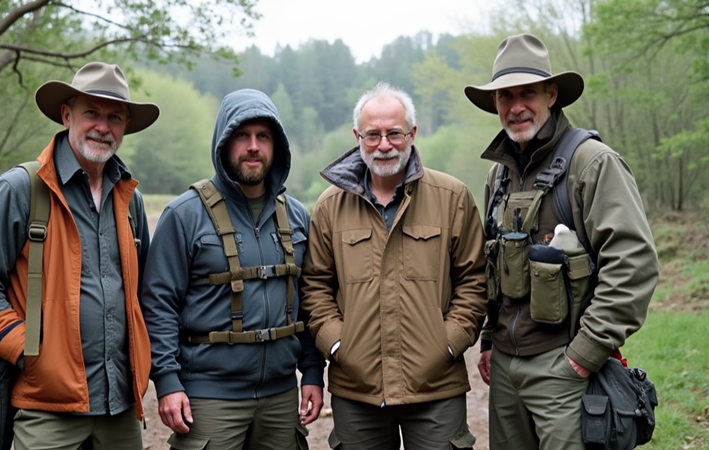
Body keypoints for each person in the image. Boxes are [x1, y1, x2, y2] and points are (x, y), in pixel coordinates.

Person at [464, 33, 659, 449]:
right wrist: (489, 340)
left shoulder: (592, 163)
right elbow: (493, 267)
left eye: (527, 93)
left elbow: (633, 264)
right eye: (505, 95)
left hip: (565, 367)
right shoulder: (498, 176)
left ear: (551, 95)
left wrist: (583, 355)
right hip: (505, 370)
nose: (516, 106)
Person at [0, 62, 158, 450]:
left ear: (126, 126)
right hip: (46, 407)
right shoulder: (22, 188)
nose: (103, 127)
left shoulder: (130, 200)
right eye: (91, 112)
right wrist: (26, 351)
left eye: (114, 117)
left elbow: (145, 294)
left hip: (119, 407)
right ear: (67, 115)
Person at [300, 81, 487, 450]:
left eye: (394, 133)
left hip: (436, 388)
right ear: (357, 137)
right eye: (373, 135)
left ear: (412, 134)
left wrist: (447, 344)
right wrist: (338, 346)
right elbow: (315, 286)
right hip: (357, 391)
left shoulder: (453, 198)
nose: (384, 145)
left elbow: (474, 281)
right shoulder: (330, 206)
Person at [139, 88, 325, 450]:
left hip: (281, 397)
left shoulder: (297, 216)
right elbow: (158, 304)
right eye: (242, 135)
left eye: (263, 136)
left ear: (277, 145)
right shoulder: (184, 215)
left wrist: (313, 373)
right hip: (209, 398)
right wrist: (167, 381)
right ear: (224, 143)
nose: (253, 146)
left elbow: (308, 302)